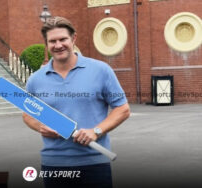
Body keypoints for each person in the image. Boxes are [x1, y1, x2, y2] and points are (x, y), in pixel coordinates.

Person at [22, 16, 130, 188]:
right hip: (54, 165)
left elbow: (123, 109)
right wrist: (40, 126)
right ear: (47, 44)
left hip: (94, 162)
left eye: (63, 39)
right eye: (52, 41)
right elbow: (27, 114)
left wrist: (96, 131)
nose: (58, 45)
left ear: (73, 39)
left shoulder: (100, 70)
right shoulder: (36, 79)